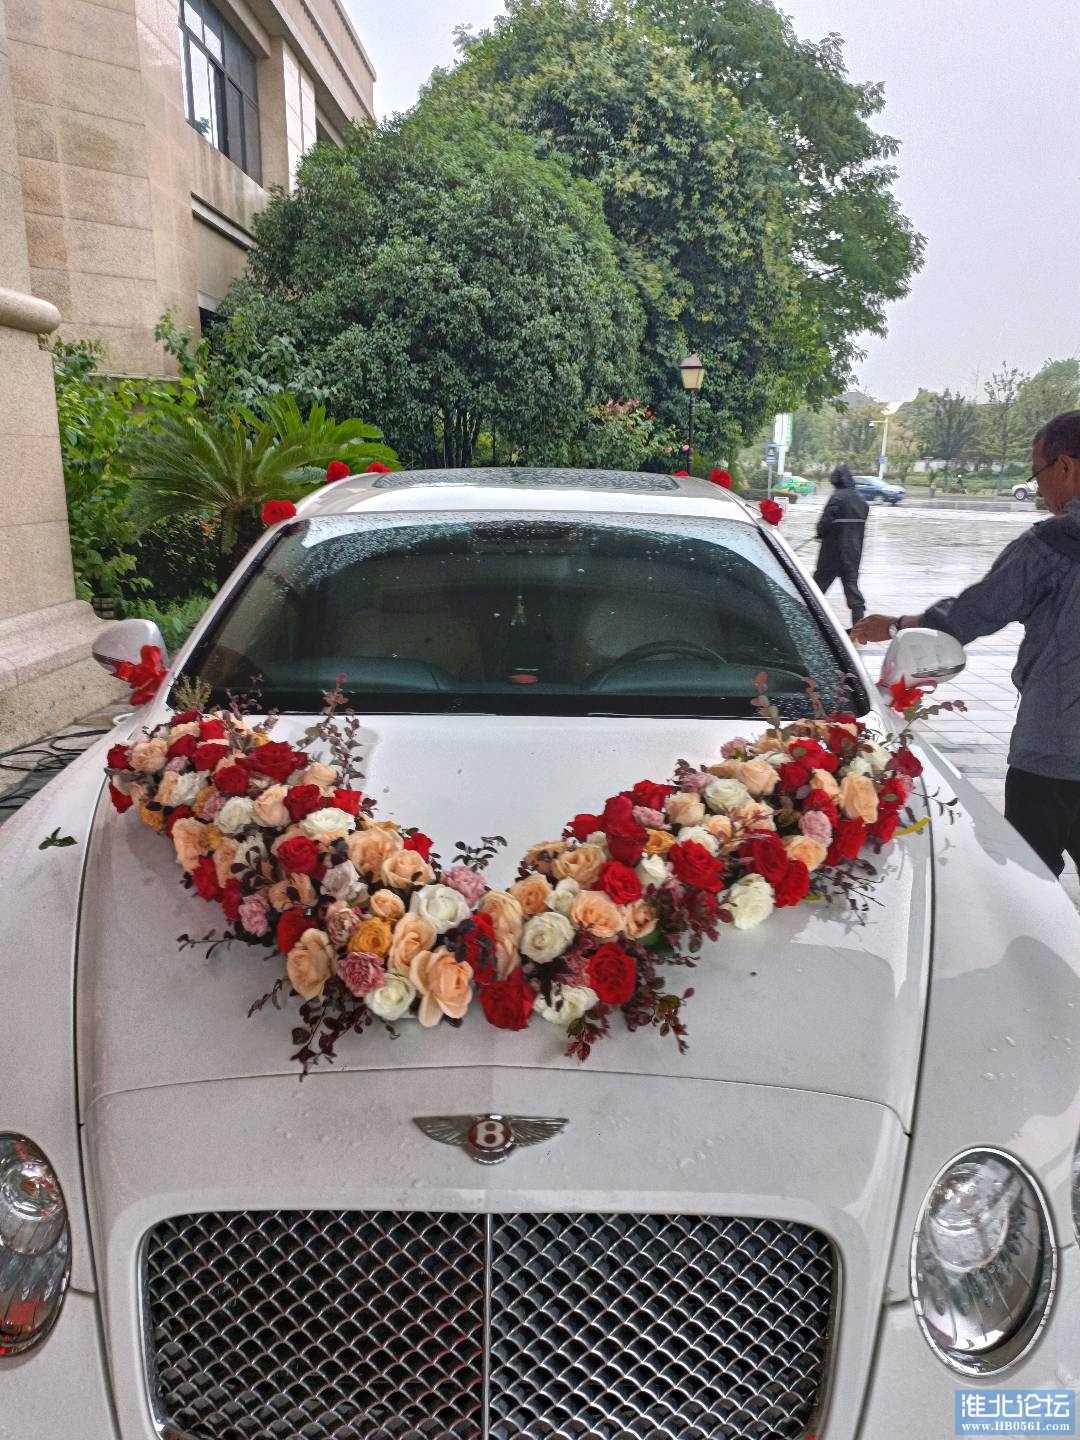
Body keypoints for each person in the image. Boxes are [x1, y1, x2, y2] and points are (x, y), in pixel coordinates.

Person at [852, 410, 1080, 878]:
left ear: (1066, 466)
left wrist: (896, 626)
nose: (1039, 490)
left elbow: (975, 613)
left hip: (1054, 751)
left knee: (1029, 882)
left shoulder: (1055, 542)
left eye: (1038, 474)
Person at [813, 463, 870, 624]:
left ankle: (806, 622)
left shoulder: (836, 497)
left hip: (831, 552)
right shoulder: (861, 500)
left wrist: (819, 532)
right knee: (852, 590)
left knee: (816, 589)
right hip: (853, 553)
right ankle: (858, 628)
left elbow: (825, 522)